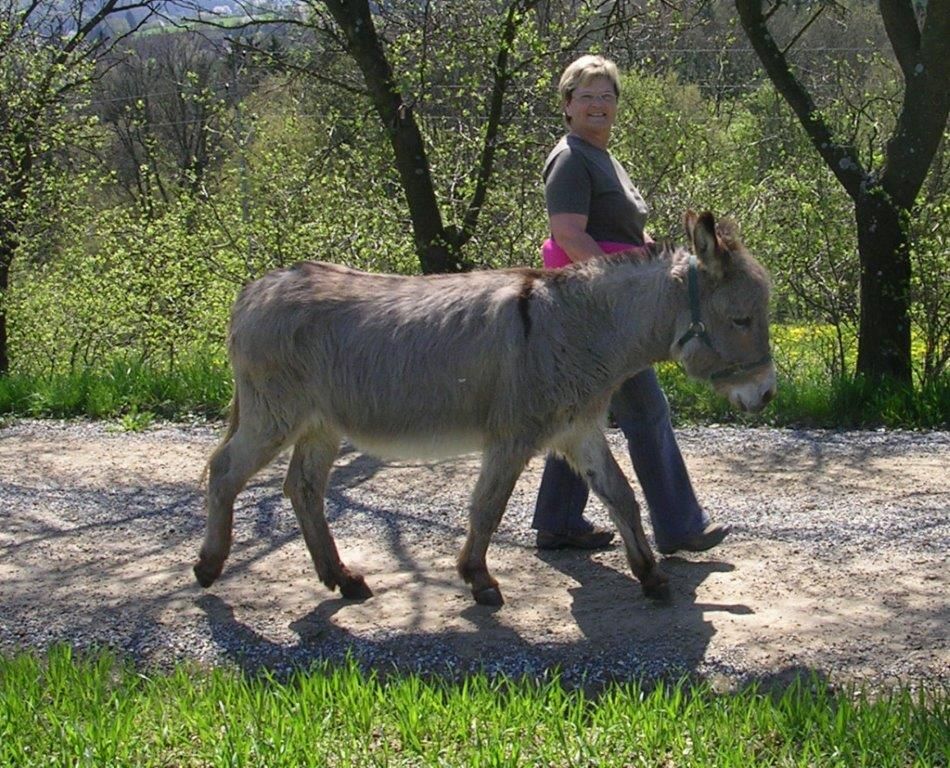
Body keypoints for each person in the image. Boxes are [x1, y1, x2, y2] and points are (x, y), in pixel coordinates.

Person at [532, 54, 730, 555]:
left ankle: (558, 522)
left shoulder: (602, 156)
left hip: (610, 306)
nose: (598, 105)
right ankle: (680, 526)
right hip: (598, 309)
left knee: (580, 413)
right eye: (587, 96)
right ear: (568, 105)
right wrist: (619, 291)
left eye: (607, 96)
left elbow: (616, 225)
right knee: (646, 411)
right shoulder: (571, 159)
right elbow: (569, 235)